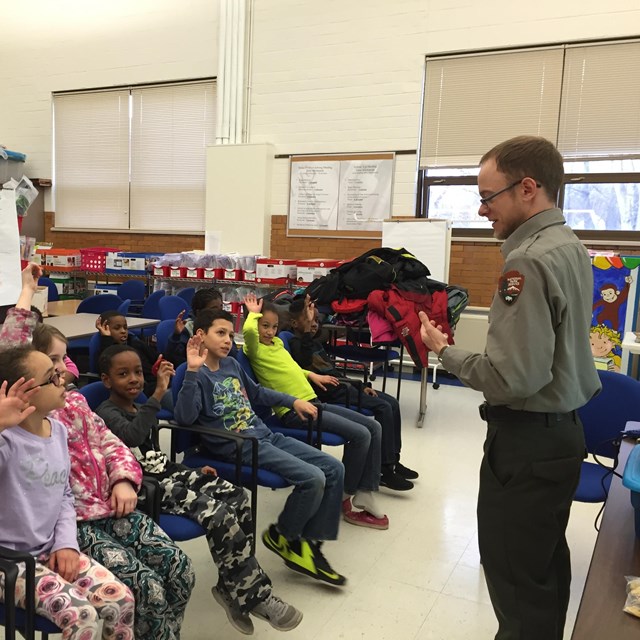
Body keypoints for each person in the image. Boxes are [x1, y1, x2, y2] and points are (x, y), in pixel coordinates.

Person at [418, 135, 601, 640]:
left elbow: (511, 377)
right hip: (561, 435)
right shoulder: (570, 246)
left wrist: (443, 350)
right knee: (540, 573)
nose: (481, 210)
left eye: (487, 196)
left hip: (526, 445)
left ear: (527, 188)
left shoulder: (526, 262)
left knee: (516, 584)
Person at [2, 265, 195, 640]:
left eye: (63, 362)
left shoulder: (65, 413)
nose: (66, 373)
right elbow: (10, 354)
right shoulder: (11, 432)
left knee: (177, 569)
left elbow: (110, 445)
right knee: (135, 595)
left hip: (90, 513)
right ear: (23, 385)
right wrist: (25, 294)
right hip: (57, 533)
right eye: (54, 366)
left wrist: (123, 478)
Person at [96, 343, 303, 634]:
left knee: (238, 497)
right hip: (142, 487)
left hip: (165, 475)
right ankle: (254, 594)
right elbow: (133, 435)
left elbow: (157, 452)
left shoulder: (140, 405)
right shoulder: (105, 413)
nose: (133, 379)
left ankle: (231, 586)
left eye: (138, 373)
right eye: (123, 374)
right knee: (217, 513)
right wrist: (155, 395)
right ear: (107, 380)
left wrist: (190, 471)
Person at [173, 308, 348, 587]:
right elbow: (184, 418)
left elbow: (257, 393)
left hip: (264, 435)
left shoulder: (231, 364)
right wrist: (193, 370)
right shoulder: (195, 374)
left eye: (230, 334)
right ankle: (285, 536)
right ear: (200, 335)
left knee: (334, 468)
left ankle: (306, 544)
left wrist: (293, 401)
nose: (228, 340)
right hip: (239, 445)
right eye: (220, 333)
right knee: (313, 477)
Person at [0, 345, 136, 639]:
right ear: (26, 392)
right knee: (82, 616)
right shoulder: (6, 441)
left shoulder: (57, 431)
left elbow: (64, 495)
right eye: (52, 376)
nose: (63, 379)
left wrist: (66, 544)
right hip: (8, 562)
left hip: (49, 549)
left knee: (120, 600)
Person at [242, 293, 390, 529]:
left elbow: (292, 368)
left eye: (274, 327)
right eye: (265, 326)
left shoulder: (278, 344)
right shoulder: (255, 349)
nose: (270, 332)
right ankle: (347, 493)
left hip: (313, 401)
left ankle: (365, 490)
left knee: (373, 426)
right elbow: (249, 333)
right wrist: (253, 314)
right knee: (361, 435)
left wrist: (311, 374)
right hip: (294, 411)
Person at [288, 295, 418, 490]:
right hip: (331, 393)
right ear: (294, 323)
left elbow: (333, 370)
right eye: (308, 321)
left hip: (343, 387)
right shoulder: (296, 344)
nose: (313, 325)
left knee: (392, 403)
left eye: (315, 320)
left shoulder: (314, 344)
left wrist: (359, 386)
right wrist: (306, 329)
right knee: (383, 407)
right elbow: (305, 362)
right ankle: (384, 469)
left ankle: (392, 459)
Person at [94, 310, 173, 409]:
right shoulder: (108, 352)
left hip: (164, 383)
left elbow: (160, 357)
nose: (123, 331)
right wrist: (106, 338)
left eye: (125, 328)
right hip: (147, 391)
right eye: (117, 328)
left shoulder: (136, 343)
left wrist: (175, 337)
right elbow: (104, 367)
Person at [165, 287, 236, 366]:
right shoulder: (187, 329)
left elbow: (233, 353)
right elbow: (175, 359)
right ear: (199, 312)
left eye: (221, 307)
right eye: (214, 309)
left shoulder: (224, 327)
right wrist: (176, 335)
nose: (220, 312)